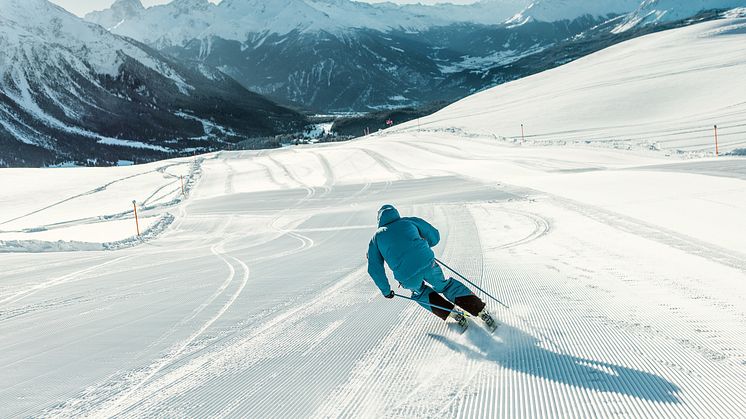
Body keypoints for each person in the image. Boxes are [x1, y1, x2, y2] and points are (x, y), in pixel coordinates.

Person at [366, 204, 497, 331]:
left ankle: (453, 314)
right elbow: (434, 236)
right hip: (427, 263)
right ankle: (480, 310)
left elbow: (374, 269)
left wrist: (386, 291)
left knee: (420, 292)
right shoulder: (409, 221)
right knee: (445, 286)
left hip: (407, 276)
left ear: (379, 219)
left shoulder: (376, 238)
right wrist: (422, 246)